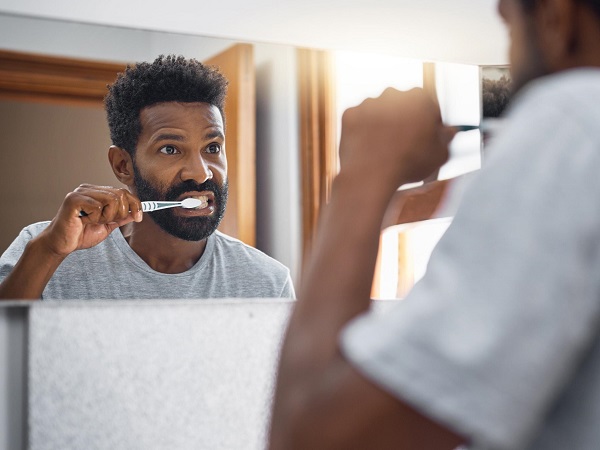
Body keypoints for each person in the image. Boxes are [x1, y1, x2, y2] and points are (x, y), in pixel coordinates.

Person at [269, 0, 600, 448]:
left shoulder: (570, 118)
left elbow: (311, 439)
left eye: (510, 23)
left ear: (558, 19)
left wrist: (366, 169)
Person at [0, 55, 294, 300]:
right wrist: (49, 251)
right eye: (170, 149)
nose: (201, 171)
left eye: (212, 147)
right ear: (123, 165)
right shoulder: (44, 249)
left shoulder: (268, 283)